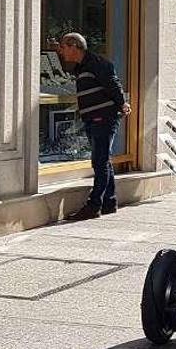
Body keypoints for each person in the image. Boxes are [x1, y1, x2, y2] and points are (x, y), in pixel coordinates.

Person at [60, 33, 131, 221]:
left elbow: (112, 83)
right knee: (103, 160)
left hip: (103, 118)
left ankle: (94, 205)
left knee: (99, 161)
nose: (61, 51)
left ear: (74, 46)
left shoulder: (96, 63)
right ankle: (109, 201)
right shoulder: (81, 67)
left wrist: (122, 103)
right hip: (93, 118)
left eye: (64, 47)